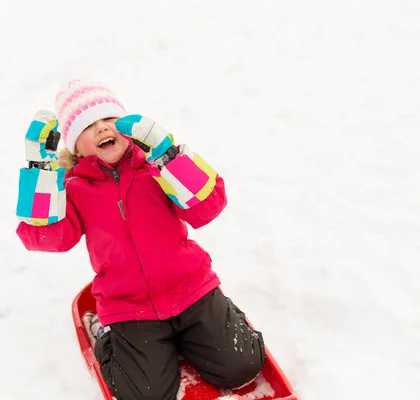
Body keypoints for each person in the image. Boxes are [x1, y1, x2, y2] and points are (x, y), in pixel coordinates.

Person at [16, 80, 265, 400]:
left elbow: (208, 206)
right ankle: (107, 337)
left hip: (190, 289)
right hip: (129, 307)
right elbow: (46, 237)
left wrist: (169, 156)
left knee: (242, 365)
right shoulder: (71, 187)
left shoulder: (156, 167)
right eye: (88, 126)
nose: (102, 128)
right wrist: (41, 171)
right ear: (76, 148)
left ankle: (218, 319)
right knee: (145, 395)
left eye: (108, 119)